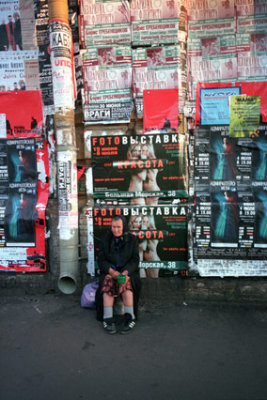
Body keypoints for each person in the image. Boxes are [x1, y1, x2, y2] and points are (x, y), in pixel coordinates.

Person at [95, 215, 141, 334]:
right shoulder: (106, 239)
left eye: (118, 227)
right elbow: (101, 260)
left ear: (124, 227)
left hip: (128, 272)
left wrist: (125, 273)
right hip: (110, 271)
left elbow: (135, 260)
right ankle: (108, 319)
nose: (116, 230)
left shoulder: (132, 240)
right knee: (107, 282)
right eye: (114, 227)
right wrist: (111, 272)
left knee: (126, 283)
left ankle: (130, 317)